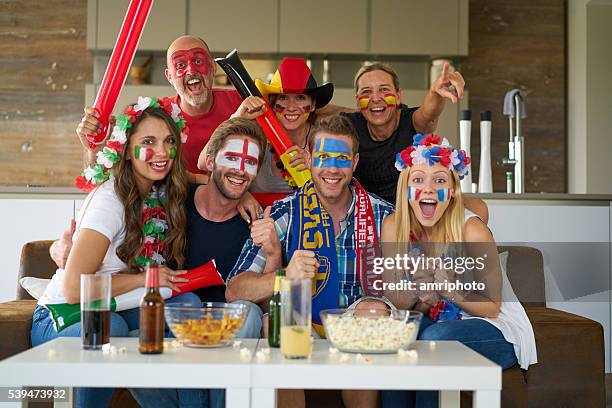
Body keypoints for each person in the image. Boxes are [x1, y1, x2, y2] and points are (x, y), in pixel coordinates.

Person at [32, 97, 200, 408]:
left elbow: (199, 181)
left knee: (187, 308)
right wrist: (145, 279)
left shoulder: (159, 190)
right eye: (149, 142)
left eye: (168, 141)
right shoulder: (110, 201)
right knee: (111, 327)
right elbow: (73, 289)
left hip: (115, 305)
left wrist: (240, 195)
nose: (162, 152)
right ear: (125, 149)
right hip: (60, 316)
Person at [226, 115, 394, 408]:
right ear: (308, 158)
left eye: (341, 159)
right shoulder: (283, 213)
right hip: (300, 320)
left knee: (373, 311)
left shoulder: (384, 216)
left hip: (357, 322)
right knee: (281, 319)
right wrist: (285, 276)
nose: (332, 168)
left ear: (354, 163)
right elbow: (236, 290)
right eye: (324, 157)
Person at [380, 134, 537, 408]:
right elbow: (398, 302)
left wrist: (450, 292)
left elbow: (492, 307)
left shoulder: (472, 230)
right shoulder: (394, 227)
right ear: (406, 188)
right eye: (418, 180)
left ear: (452, 190)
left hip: (496, 329)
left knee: (434, 340)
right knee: (400, 334)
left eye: (439, 180)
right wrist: (421, 295)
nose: (428, 189)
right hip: (439, 324)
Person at [338, 62, 488, 223]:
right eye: (366, 92)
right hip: (367, 215)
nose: (375, 98)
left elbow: (428, 114)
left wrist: (436, 93)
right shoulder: (349, 124)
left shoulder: (411, 120)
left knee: (477, 207)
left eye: (384, 90)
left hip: (412, 213)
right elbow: (319, 113)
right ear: (357, 100)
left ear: (398, 96)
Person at [76, 35, 242, 177]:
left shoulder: (241, 103)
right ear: (169, 76)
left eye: (198, 61)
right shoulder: (156, 117)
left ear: (213, 67)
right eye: (181, 65)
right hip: (172, 211)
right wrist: (95, 147)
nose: (191, 70)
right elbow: (107, 177)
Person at [218, 57, 334, 206]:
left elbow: (340, 193)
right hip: (257, 223)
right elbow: (204, 162)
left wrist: (317, 168)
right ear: (273, 104)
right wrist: (236, 118)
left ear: (312, 105)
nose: (291, 107)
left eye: (300, 97)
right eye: (283, 97)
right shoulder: (255, 137)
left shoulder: (326, 141)